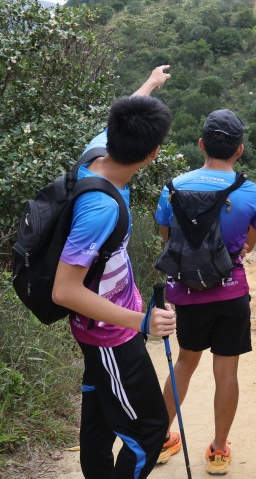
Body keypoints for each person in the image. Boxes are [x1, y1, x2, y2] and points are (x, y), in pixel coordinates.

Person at [51, 65, 176, 479]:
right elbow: (64, 291)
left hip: (105, 327)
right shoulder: (100, 208)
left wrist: (150, 84)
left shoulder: (98, 151)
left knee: (101, 419)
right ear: (154, 153)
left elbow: (118, 117)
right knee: (150, 428)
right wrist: (141, 321)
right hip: (110, 334)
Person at [152, 109, 256, 474]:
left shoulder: (173, 188)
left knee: (185, 362)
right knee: (226, 372)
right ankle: (218, 451)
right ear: (240, 150)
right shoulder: (251, 192)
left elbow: (167, 239)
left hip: (186, 294)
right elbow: (247, 245)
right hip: (232, 294)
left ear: (201, 144)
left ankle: (160, 439)